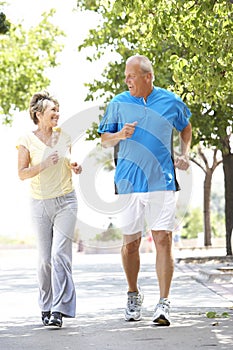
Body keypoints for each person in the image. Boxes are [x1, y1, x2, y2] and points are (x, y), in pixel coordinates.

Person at [98, 55, 192, 326]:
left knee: (163, 239)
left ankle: (163, 304)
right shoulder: (118, 104)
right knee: (131, 244)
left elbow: (185, 127)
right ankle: (133, 293)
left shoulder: (170, 101)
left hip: (161, 181)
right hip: (128, 182)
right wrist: (119, 136)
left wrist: (185, 153)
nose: (127, 80)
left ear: (147, 77)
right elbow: (104, 140)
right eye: (126, 76)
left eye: (131, 76)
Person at [17, 91, 82, 328]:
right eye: (52, 110)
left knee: (59, 255)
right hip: (40, 203)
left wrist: (75, 165)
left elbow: (69, 159)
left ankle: (59, 309)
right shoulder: (26, 140)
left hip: (66, 200)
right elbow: (22, 173)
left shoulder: (64, 136)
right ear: (38, 114)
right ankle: (45, 305)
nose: (57, 113)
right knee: (45, 259)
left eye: (57, 109)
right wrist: (44, 164)